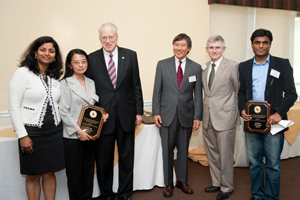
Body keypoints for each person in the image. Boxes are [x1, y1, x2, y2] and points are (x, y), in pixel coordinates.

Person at [238, 29, 297, 200]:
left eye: (265, 42)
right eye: (257, 42)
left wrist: (279, 113)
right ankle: (257, 195)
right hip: (252, 122)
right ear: (252, 45)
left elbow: (291, 94)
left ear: (270, 44)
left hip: (274, 122)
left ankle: (271, 197)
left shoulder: (282, 64)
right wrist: (242, 109)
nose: (261, 46)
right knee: (255, 163)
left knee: (272, 164)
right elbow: (241, 93)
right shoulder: (244, 66)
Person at [87, 22, 143, 200]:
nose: (107, 40)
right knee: (103, 160)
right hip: (104, 119)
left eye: (111, 37)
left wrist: (139, 112)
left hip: (127, 116)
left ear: (117, 37)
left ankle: (125, 192)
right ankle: (106, 194)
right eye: (104, 37)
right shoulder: (91, 58)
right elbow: (89, 91)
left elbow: (136, 86)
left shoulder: (131, 55)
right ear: (99, 38)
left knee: (127, 158)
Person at [8, 36, 64, 200]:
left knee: (49, 171)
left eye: (51, 51)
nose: (47, 53)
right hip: (31, 133)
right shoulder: (22, 73)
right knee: (32, 175)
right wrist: (22, 135)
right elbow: (13, 106)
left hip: (54, 132)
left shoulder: (54, 76)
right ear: (35, 52)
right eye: (43, 49)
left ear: (55, 55)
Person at [152, 33, 202, 198]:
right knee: (167, 151)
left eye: (182, 45)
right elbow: (157, 91)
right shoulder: (162, 65)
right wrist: (156, 113)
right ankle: (168, 183)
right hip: (166, 115)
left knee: (183, 150)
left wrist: (197, 116)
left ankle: (182, 180)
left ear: (188, 49)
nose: (179, 48)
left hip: (186, 116)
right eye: (176, 44)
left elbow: (198, 96)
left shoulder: (195, 67)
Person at [59, 49, 109, 200]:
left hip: (90, 135)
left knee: (88, 171)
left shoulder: (91, 82)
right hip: (73, 136)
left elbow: (92, 107)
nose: (81, 65)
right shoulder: (65, 83)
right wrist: (79, 132)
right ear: (70, 65)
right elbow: (63, 112)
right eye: (76, 62)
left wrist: (102, 116)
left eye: (83, 61)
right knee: (75, 175)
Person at [202, 35, 240, 200]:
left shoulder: (232, 66)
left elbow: (238, 91)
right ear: (207, 50)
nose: (214, 50)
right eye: (211, 47)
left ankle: (227, 186)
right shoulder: (204, 67)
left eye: (218, 47)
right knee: (212, 153)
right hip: (208, 116)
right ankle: (217, 182)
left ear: (223, 49)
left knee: (225, 155)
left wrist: (234, 114)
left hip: (226, 117)